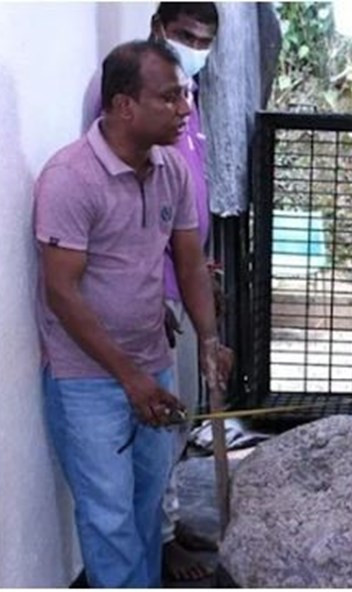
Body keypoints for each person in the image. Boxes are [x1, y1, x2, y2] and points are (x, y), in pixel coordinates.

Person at [35, 40, 231, 587]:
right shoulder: (70, 177)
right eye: (169, 98)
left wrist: (209, 340)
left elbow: (189, 265)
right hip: (87, 379)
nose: (185, 109)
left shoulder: (172, 170)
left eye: (185, 95)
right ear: (124, 106)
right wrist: (129, 378)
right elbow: (61, 293)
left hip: (151, 367)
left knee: (147, 507)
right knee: (109, 516)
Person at [82, 2, 220, 582]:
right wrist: (155, 292)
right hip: (133, 310)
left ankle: (162, 536)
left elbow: (181, 212)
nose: (197, 48)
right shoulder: (116, 111)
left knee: (162, 443)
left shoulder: (182, 101)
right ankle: (154, 547)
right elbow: (119, 220)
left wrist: (204, 312)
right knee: (115, 493)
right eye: (187, 35)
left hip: (172, 289)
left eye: (206, 41)